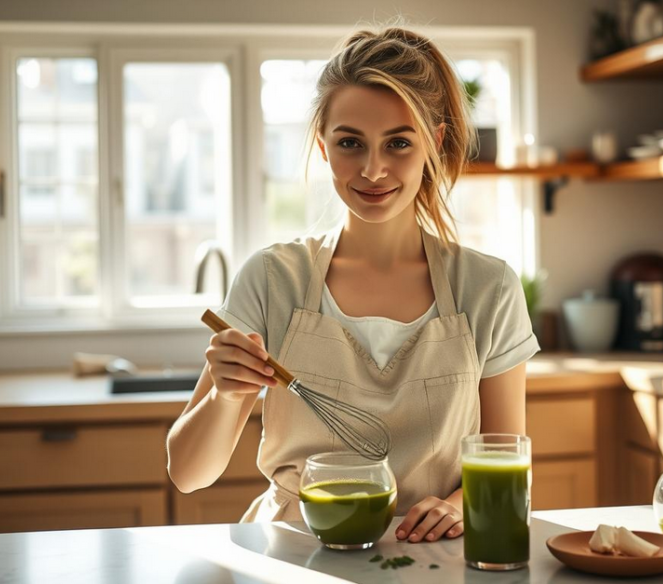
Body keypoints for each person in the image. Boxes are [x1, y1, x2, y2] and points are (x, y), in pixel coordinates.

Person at [167, 26, 539, 545]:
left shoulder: (488, 288)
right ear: (323, 146)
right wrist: (226, 396)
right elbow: (189, 475)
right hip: (293, 551)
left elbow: (506, 462)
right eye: (350, 142)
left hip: (430, 553)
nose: (372, 169)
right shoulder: (272, 279)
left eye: (399, 143)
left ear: (433, 141)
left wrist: (459, 506)